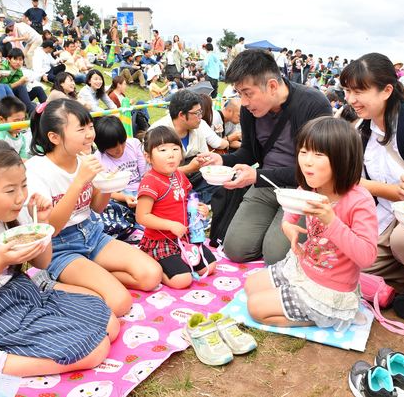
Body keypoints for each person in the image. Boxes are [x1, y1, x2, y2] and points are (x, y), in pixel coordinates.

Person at [0, 139, 119, 377]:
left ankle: (31, 340)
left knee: (109, 323)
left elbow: (42, 263)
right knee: (95, 350)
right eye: (10, 190)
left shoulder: (12, 214)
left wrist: (43, 223)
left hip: (21, 293)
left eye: (23, 186)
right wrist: (0, 262)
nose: (20, 197)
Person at [27, 99, 162, 316]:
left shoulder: (84, 158)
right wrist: (79, 181)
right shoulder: (36, 171)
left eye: (90, 126)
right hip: (60, 247)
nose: (90, 134)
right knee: (118, 303)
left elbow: (97, 209)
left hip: (92, 233)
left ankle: (95, 278)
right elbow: (50, 228)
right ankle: (47, 283)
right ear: (54, 137)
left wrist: (109, 184)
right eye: (81, 129)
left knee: (151, 275)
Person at [245, 117, 377, 329]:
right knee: (250, 285)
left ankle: (326, 317)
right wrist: (288, 227)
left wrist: (331, 221)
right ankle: (309, 307)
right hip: (303, 267)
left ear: (343, 159)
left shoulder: (359, 200)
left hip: (329, 288)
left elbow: (367, 256)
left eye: (318, 154)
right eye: (303, 151)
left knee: (256, 308)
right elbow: (291, 211)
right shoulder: (311, 188)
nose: (307, 161)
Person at [205, 49, 332, 264]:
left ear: (272, 85)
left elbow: (317, 169)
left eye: (247, 93)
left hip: (302, 191)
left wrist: (256, 176)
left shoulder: (313, 105)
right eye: (239, 93)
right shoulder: (249, 110)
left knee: (276, 255)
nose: (243, 102)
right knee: (235, 249)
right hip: (265, 186)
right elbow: (249, 152)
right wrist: (223, 161)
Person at [340, 52, 404, 282]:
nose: (351, 99)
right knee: (346, 264)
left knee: (401, 241)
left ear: (386, 90)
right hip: (383, 215)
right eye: (347, 91)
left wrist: (362, 184)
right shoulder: (362, 129)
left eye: (359, 91)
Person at [135, 126, 217, 289]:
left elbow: (186, 201)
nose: (171, 154)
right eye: (163, 150)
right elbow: (142, 217)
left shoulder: (179, 175)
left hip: (185, 236)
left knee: (210, 266)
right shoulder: (150, 181)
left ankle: (179, 263)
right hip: (161, 241)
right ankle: (154, 264)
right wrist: (170, 225)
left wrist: (201, 208)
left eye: (175, 148)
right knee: (182, 281)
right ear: (148, 157)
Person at [149, 89, 215, 203]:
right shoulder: (157, 133)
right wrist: (188, 168)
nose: (200, 117)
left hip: (193, 178)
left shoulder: (197, 128)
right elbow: (153, 175)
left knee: (224, 185)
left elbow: (205, 156)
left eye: (201, 112)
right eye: (197, 113)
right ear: (182, 115)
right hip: (167, 183)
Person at [93, 116, 147, 239]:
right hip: (119, 195)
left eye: (122, 143)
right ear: (102, 146)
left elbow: (145, 175)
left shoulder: (134, 144)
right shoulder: (98, 159)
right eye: (113, 147)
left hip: (142, 189)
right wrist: (124, 197)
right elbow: (105, 191)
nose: (119, 149)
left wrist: (144, 193)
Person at [0, 48, 47, 114]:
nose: (18, 62)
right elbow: (3, 88)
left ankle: (48, 110)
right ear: (9, 59)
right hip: (6, 97)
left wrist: (27, 82)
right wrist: (20, 82)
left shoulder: (19, 70)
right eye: (15, 59)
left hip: (17, 96)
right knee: (21, 86)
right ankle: (31, 111)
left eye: (20, 59)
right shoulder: (3, 68)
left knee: (38, 89)